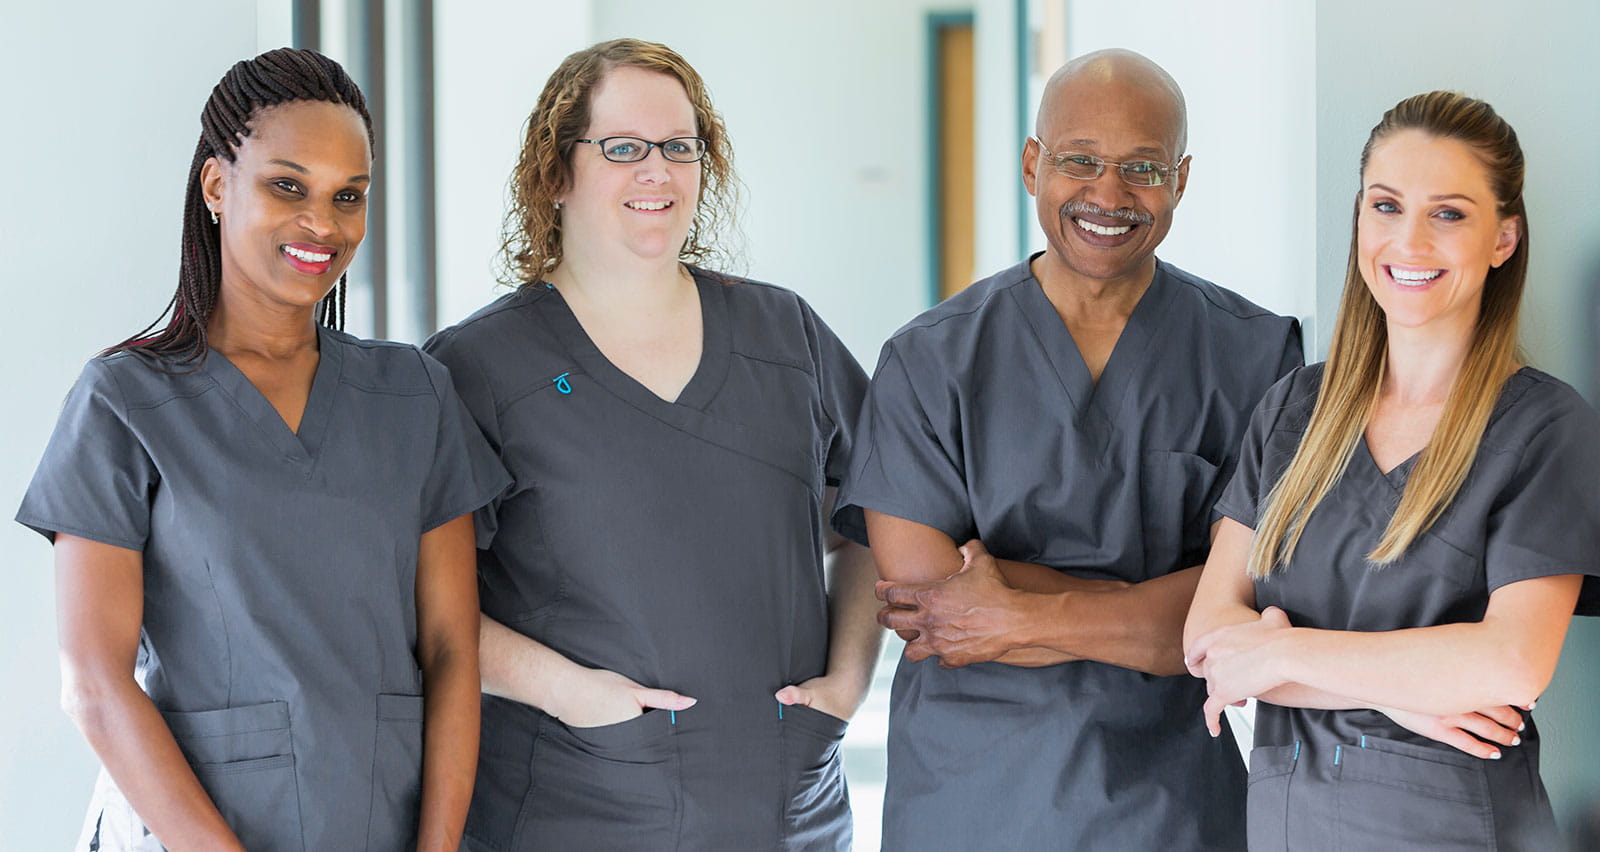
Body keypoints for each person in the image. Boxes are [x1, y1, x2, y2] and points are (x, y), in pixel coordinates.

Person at [15, 48, 508, 852]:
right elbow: (96, 686)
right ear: (217, 186)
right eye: (289, 186)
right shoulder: (125, 403)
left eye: (349, 196)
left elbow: (453, 649)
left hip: (378, 826)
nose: (324, 223)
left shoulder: (414, 397)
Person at [835, 49, 1302, 850]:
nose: (1108, 194)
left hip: (1173, 803)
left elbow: (1246, 613)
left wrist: (1013, 612)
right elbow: (928, 608)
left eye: (1142, 167)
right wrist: (1160, 608)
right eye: (1079, 160)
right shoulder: (929, 359)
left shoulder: (1256, 358)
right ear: (1031, 165)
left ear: (1181, 180)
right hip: (973, 798)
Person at [423, 38, 881, 851]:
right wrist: (571, 694)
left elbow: (876, 520)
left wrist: (849, 680)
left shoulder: (785, 335)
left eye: (680, 147)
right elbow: (424, 604)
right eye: (624, 148)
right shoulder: (479, 368)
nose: (657, 171)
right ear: (557, 172)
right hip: (574, 808)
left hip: (786, 813)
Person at [1184, 91, 1600, 851]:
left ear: (1504, 238)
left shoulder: (1545, 428)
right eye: (1386, 205)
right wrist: (1406, 694)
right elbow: (1208, 638)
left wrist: (1277, 654)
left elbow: (1510, 665)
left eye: (1448, 214)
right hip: (1289, 829)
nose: (1408, 241)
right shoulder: (1293, 412)